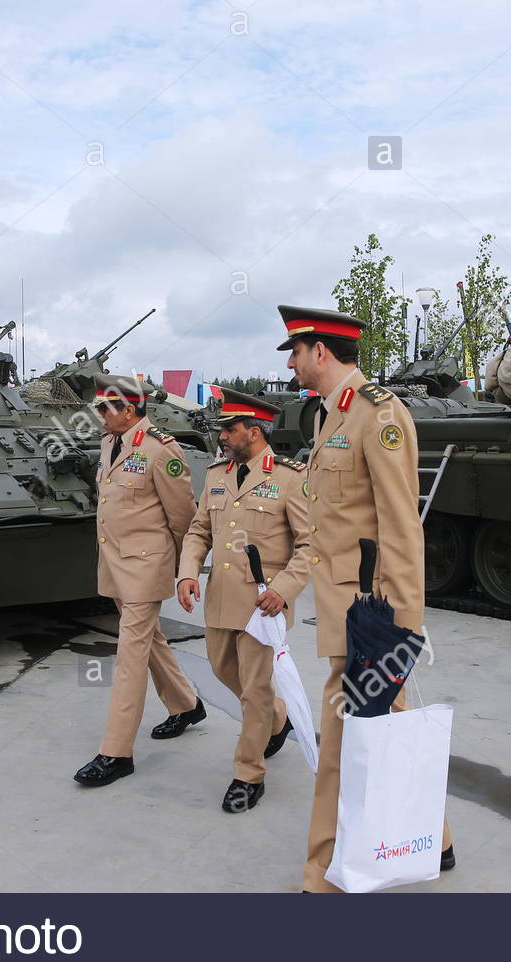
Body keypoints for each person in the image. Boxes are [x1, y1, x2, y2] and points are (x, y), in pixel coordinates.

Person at [276, 305, 453, 892]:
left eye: (296, 352)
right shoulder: (334, 415)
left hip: (367, 616)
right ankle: (438, 835)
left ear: (320, 352)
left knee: (343, 735)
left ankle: (321, 873)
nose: (293, 363)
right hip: (341, 609)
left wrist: (403, 626)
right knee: (386, 723)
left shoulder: (381, 415)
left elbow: (402, 525)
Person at [176, 388, 312, 812]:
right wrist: (186, 573)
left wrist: (284, 590)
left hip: (263, 605)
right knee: (221, 669)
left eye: (230, 430)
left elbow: (310, 546)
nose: (222, 437)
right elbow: (199, 530)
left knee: (254, 689)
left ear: (254, 432)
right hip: (220, 598)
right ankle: (277, 717)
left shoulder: (290, 479)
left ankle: (247, 774)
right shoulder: (217, 473)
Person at [74, 374, 206, 787]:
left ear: (129, 410)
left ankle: (115, 752)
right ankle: (186, 704)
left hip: (147, 567)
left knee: (129, 655)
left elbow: (183, 517)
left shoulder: (160, 451)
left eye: (105, 409)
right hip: (116, 564)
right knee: (150, 640)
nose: (98, 416)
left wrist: (186, 571)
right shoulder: (110, 443)